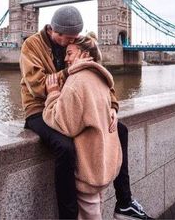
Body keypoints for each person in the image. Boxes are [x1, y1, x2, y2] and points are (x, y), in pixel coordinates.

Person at [20, 5, 152, 219]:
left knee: (121, 130)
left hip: (72, 106)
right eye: (69, 38)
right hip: (39, 110)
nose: (71, 44)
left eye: (76, 37)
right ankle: (69, 215)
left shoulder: (73, 43)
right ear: (56, 32)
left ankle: (125, 202)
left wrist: (112, 106)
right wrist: (72, 70)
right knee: (65, 147)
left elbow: (98, 78)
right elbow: (37, 84)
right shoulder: (31, 46)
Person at [43, 34, 122, 219]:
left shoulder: (76, 82)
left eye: (69, 53)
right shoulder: (100, 77)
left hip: (88, 167)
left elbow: (62, 123)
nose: (65, 59)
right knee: (98, 207)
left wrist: (53, 94)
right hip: (103, 163)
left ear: (84, 54)